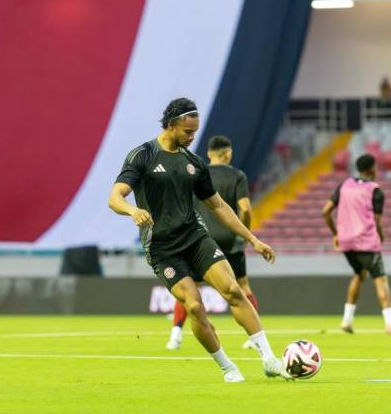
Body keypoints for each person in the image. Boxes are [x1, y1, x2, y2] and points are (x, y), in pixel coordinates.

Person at [108, 97, 289, 382]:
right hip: (162, 248)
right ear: (171, 125)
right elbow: (115, 197)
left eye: (195, 132)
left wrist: (253, 239)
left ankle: (269, 359)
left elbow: (219, 206)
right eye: (187, 132)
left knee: (232, 289)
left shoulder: (194, 163)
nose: (193, 137)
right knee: (193, 305)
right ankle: (228, 367)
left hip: (194, 238)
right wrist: (132, 210)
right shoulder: (142, 155)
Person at [166, 135, 259, 351]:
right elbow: (245, 208)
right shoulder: (237, 175)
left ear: (209, 154)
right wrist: (244, 235)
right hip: (229, 239)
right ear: (228, 154)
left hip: (202, 239)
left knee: (191, 288)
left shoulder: (197, 172)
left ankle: (175, 336)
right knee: (242, 286)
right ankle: (253, 337)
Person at [321, 154, 391, 335]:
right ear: (371, 169)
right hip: (366, 242)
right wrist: (381, 236)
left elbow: (326, 211)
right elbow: (377, 221)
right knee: (380, 279)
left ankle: (347, 320)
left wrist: (336, 234)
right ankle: (390, 323)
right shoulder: (375, 191)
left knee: (359, 275)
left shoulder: (344, 185)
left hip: (346, 243)